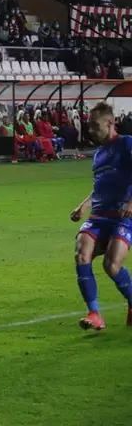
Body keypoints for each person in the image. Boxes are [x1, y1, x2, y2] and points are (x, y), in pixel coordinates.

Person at [71, 102, 132, 331]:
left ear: (110, 123)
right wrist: (82, 207)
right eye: (89, 126)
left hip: (122, 215)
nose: (91, 131)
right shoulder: (98, 155)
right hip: (98, 216)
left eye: (95, 126)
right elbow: (99, 186)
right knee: (81, 253)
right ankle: (94, 313)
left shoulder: (126, 144)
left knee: (111, 265)